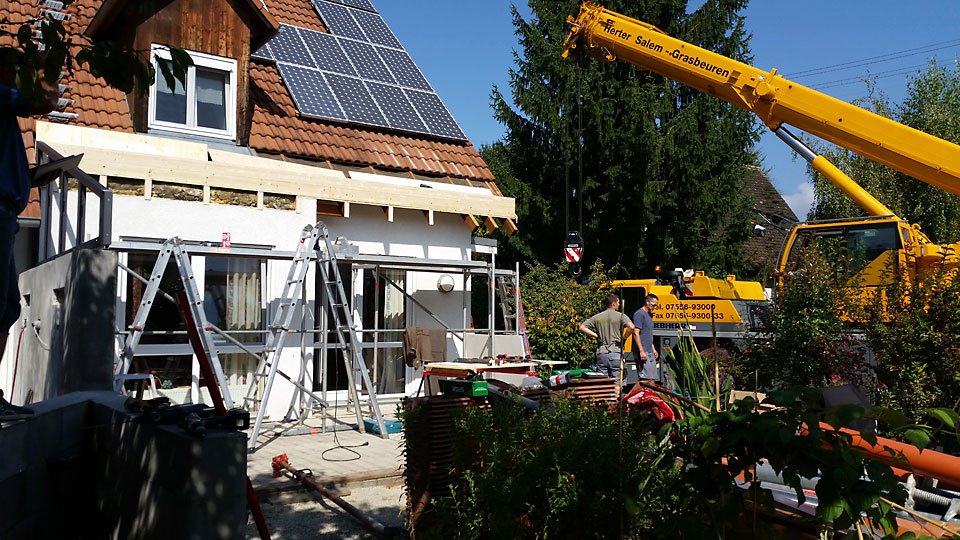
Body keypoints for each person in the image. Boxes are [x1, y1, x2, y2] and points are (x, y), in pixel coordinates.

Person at [0, 47, 58, 419]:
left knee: (6, 307)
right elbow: (44, 102)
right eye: (14, 69)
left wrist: (31, 179)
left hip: (6, 214)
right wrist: (47, 65)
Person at [578, 293, 635, 382]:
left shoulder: (597, 317)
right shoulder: (621, 316)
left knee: (603, 382)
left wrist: (596, 335)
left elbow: (582, 327)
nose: (619, 304)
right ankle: (616, 391)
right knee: (617, 381)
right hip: (616, 351)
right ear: (614, 304)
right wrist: (624, 338)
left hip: (602, 353)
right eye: (618, 302)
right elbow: (631, 327)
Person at [632, 293, 661, 381]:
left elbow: (648, 334)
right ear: (647, 302)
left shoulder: (649, 315)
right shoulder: (639, 314)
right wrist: (641, 351)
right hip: (643, 350)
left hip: (649, 350)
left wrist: (653, 349)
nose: (655, 307)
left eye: (656, 305)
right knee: (645, 378)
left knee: (652, 378)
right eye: (653, 305)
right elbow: (636, 333)